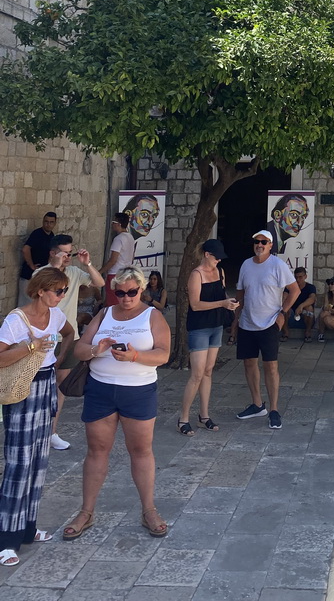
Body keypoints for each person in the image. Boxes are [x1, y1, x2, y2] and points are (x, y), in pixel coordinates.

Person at [64, 266, 171, 541]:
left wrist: (136, 356)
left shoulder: (152, 315)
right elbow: (78, 349)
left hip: (138, 391)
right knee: (96, 450)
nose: (126, 298)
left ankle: (149, 510)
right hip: (101, 389)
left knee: (140, 451)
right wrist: (95, 350)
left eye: (132, 292)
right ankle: (86, 512)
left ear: (142, 290)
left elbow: (163, 354)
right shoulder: (105, 314)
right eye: (120, 292)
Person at [0, 266, 74, 566]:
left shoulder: (56, 317)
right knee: (18, 463)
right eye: (58, 290)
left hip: (44, 385)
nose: (62, 296)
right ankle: (6, 538)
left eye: (64, 290)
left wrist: (56, 361)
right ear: (40, 290)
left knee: (39, 461)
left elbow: (69, 332)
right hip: (21, 388)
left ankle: (28, 528)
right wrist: (32, 346)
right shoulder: (16, 320)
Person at [32, 235, 105, 451]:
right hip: (44, 337)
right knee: (37, 384)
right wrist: (55, 267)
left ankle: (52, 431)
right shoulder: (41, 273)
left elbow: (99, 283)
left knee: (61, 386)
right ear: (53, 253)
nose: (68, 257)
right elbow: (35, 294)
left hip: (68, 336)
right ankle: (36, 429)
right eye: (64, 253)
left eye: (70, 253)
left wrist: (88, 264)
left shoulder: (73, 273)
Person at [233, 230, 299, 429]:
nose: (259, 245)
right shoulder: (246, 264)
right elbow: (240, 292)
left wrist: (283, 313)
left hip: (269, 323)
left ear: (271, 245)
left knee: (271, 366)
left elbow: (295, 290)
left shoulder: (277, 265)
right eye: (256, 241)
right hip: (247, 323)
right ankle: (257, 404)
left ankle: (274, 409)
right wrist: (236, 319)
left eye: (264, 242)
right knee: (249, 364)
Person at [178, 240, 240, 435]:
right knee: (196, 374)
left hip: (216, 325)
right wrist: (222, 303)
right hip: (199, 327)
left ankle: (204, 416)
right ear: (206, 254)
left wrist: (229, 303)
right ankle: (183, 418)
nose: (219, 259)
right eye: (216, 256)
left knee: (208, 371)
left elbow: (220, 295)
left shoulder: (220, 272)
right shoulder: (196, 275)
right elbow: (195, 305)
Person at [18, 212, 57, 306]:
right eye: (46, 221)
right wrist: (31, 265)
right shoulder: (37, 234)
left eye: (51, 222)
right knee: (26, 304)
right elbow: (25, 249)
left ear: (55, 223)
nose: (48, 224)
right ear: (43, 221)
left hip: (41, 277)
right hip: (29, 276)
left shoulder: (51, 236)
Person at [101, 213, 135, 306]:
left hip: (115, 274)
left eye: (114, 222)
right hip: (126, 273)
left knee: (113, 301)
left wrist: (100, 271)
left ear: (119, 224)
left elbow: (113, 260)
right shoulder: (130, 237)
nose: (112, 224)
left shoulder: (118, 239)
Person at [281, 267, 316, 342]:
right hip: (291, 315)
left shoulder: (310, 287)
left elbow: (312, 299)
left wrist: (301, 306)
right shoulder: (289, 287)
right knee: (284, 308)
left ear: (305, 277)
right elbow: (284, 297)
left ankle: (308, 332)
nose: (298, 279)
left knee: (309, 308)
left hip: (305, 316)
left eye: (300, 277)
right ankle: (286, 332)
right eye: (296, 277)